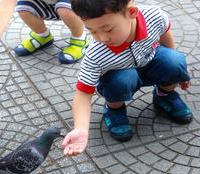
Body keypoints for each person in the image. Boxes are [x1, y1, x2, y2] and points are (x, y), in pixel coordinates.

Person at [62, 0, 193, 156]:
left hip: (149, 60)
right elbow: (83, 93)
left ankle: (164, 94)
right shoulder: (95, 53)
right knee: (121, 80)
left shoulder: (155, 16)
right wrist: (81, 128)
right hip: (119, 75)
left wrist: (178, 73)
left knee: (175, 61)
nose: (102, 38)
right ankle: (114, 109)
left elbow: (165, 37)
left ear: (131, 12)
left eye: (108, 29)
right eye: (92, 31)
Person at [0, 0, 89, 66]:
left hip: (74, 5)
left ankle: (79, 38)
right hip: (46, 4)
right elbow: (5, 8)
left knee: (64, 9)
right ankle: (43, 35)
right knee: (23, 7)